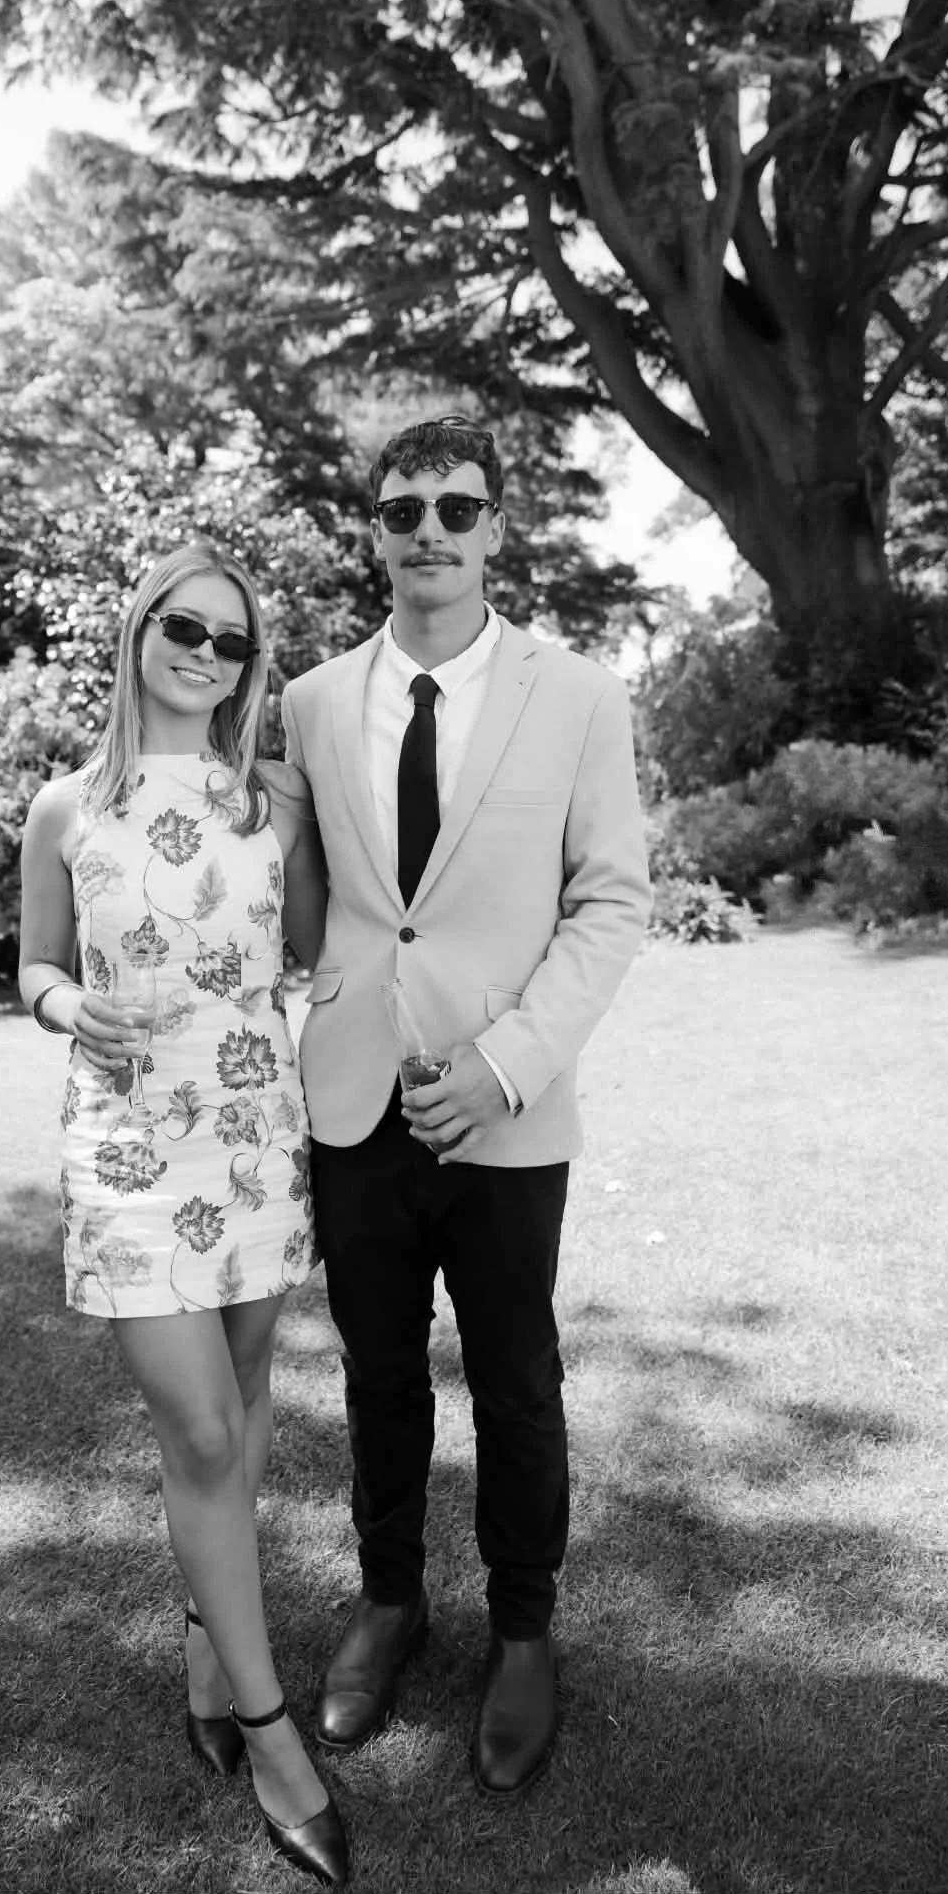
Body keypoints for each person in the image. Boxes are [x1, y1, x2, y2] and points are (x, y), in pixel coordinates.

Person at [281, 414, 652, 1799]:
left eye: (456, 506)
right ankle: (390, 1600)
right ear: (372, 533)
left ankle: (524, 1629)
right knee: (376, 1375)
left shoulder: (582, 695)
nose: (428, 530)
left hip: (507, 1106)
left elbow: (610, 901)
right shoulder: (313, 701)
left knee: (516, 1378)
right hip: (354, 1100)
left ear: (497, 525)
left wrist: (503, 1063)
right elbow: (310, 900)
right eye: (402, 509)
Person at [18, 544, 347, 1886]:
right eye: (184, 627)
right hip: (129, 1149)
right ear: (139, 628)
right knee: (203, 1428)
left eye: (232, 640)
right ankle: (271, 1733)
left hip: (254, 1134)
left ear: (250, 664)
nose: (205, 653)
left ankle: (210, 1644)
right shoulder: (66, 805)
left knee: (248, 1391)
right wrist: (65, 1004)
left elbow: (316, 947)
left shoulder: (271, 799)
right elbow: (35, 963)